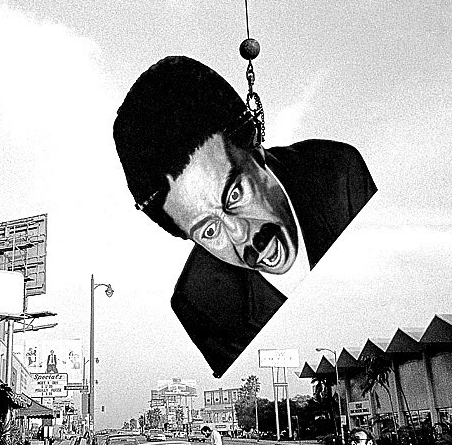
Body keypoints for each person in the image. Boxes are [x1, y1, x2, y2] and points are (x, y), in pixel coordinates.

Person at [113, 56, 376, 377]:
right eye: (209, 231)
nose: (240, 236)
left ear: (258, 151)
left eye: (234, 195)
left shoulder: (338, 174)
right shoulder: (201, 308)